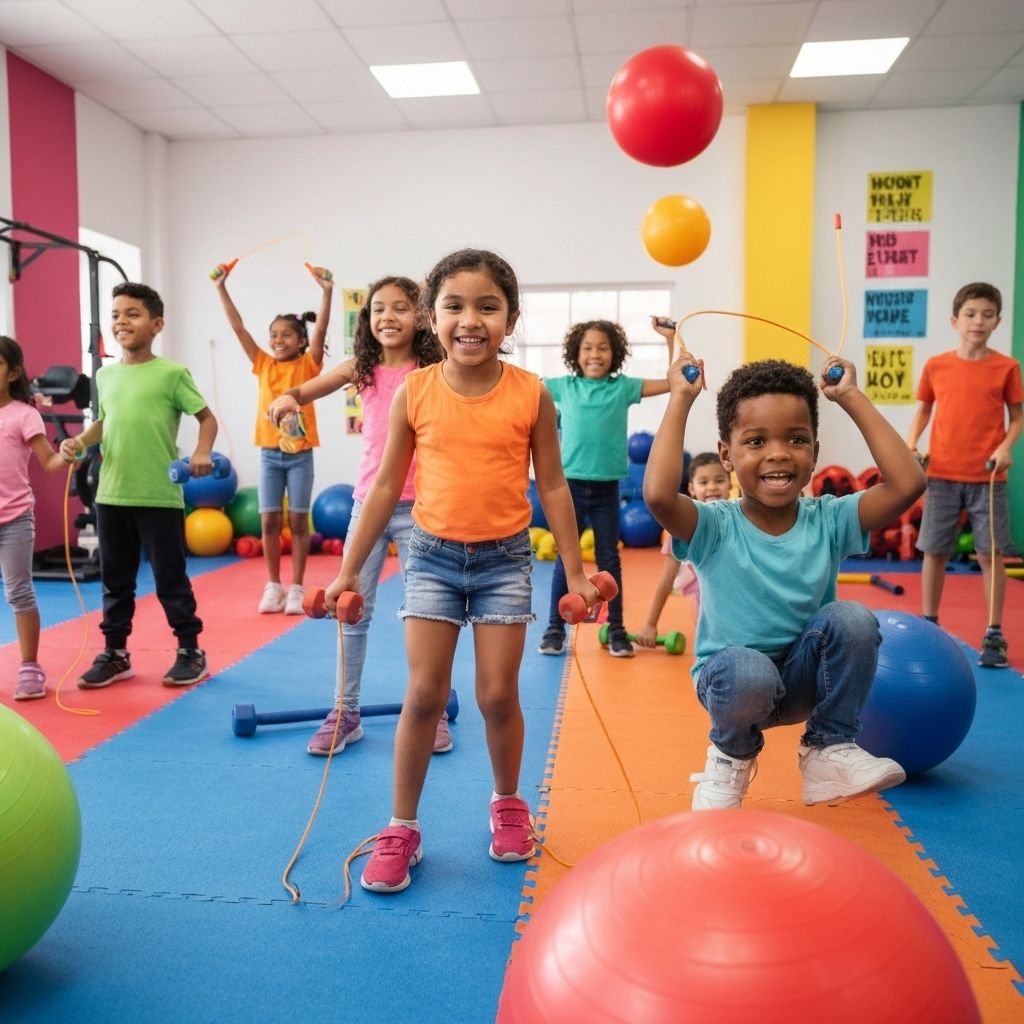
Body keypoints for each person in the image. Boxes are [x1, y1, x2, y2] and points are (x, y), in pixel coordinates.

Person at [324, 248, 601, 893]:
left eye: (488, 307)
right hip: (431, 556)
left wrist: (578, 572)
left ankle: (508, 803)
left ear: (510, 318)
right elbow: (386, 486)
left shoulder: (530, 393)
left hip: (505, 558)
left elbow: (554, 489)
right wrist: (345, 572)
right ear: (432, 315)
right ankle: (401, 827)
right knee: (423, 695)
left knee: (497, 696)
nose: (470, 320)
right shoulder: (415, 390)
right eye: (454, 306)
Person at [644, 352, 925, 810]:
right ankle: (729, 756)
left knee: (852, 619)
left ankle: (827, 749)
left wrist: (851, 397)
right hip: (732, 683)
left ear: (814, 452)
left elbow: (907, 484)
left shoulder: (829, 519)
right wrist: (680, 398)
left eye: (796, 439)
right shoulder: (714, 525)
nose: (778, 453)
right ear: (726, 455)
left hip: (803, 680)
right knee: (749, 670)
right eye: (755, 441)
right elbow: (657, 494)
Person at [267, 276, 450, 756]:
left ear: (423, 316)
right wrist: (289, 398)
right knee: (350, 610)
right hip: (368, 505)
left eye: (401, 307)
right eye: (378, 309)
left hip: (423, 509)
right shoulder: (362, 368)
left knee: (427, 615)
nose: (387, 316)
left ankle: (427, 712)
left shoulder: (435, 370)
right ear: (367, 320)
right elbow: (309, 388)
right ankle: (346, 712)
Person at [61, 283, 218, 689]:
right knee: (116, 580)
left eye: (132, 314)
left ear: (157, 323)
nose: (121, 321)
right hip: (111, 493)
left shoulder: (171, 373)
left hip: (158, 496)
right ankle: (115, 653)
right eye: (116, 314)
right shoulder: (105, 375)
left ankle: (189, 650)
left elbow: (207, 419)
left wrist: (202, 452)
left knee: (170, 578)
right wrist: (80, 441)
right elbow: (105, 423)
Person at [538, 317, 674, 658]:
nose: (595, 354)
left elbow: (672, 382)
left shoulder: (622, 388)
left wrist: (670, 339)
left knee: (609, 559)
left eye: (603, 348)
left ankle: (616, 631)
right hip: (567, 487)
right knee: (564, 561)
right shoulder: (563, 387)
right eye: (587, 348)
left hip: (606, 489)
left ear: (615, 354)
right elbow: (519, 387)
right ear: (575, 353)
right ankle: (555, 629)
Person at [906, 282, 1023, 668]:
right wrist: (912, 441)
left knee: (991, 554)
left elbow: (1018, 417)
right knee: (934, 551)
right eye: (971, 314)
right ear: (955, 320)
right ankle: (930, 625)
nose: (978, 321)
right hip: (941, 473)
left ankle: (993, 633)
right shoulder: (936, 365)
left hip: (987, 478)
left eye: (987, 315)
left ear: (998, 321)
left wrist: (1005, 447)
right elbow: (923, 409)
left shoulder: (1007, 367)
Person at [214, 262, 332, 615]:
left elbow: (322, 328)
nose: (277, 340)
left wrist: (326, 291)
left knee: (297, 522)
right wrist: (221, 287)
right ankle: (273, 586)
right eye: (274, 335)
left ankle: (296, 587)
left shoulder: (308, 366)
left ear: (300, 341)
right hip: (269, 454)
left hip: (300, 455)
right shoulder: (263, 364)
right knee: (267, 520)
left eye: (285, 335)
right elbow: (238, 328)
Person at [0, 336, 73, 699]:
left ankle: (30, 667)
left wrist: (68, 453)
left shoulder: (24, 415)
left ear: (12, 373)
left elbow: (49, 462)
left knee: (19, 591)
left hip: (13, 519)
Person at [635, 451, 730, 650]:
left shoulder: (737, 517)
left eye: (719, 480)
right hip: (708, 607)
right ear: (691, 488)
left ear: (730, 484)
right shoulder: (682, 527)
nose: (712, 487)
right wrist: (651, 625)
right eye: (703, 482)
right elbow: (666, 581)